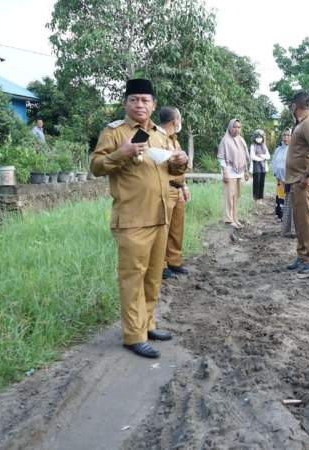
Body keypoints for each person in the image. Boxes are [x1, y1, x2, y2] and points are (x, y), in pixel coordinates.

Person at [90, 78, 189, 359]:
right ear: (126, 103)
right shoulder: (114, 133)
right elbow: (96, 166)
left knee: (153, 276)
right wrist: (121, 153)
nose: (140, 104)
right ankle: (133, 335)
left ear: (153, 104)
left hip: (160, 217)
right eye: (134, 100)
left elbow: (172, 172)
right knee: (132, 276)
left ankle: (148, 324)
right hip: (132, 218)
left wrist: (179, 163)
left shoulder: (159, 135)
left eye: (145, 100)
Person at [285, 91, 309, 274]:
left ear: (295, 106)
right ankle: (302, 255)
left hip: (304, 182)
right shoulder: (301, 124)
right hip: (297, 181)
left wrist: (308, 173)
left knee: (306, 221)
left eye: (291, 105)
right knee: (299, 222)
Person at [160, 106, 191, 280]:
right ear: (175, 121)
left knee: (177, 228)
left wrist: (184, 186)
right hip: (165, 189)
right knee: (164, 229)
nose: (181, 122)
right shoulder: (159, 139)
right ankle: (162, 265)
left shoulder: (175, 140)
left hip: (177, 189)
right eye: (180, 118)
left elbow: (179, 169)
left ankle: (174, 261)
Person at [217, 119, 250, 229]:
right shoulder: (225, 140)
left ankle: (235, 217)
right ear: (230, 127)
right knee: (229, 196)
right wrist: (225, 172)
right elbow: (221, 157)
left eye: (239, 127)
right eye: (235, 127)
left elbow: (244, 156)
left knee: (236, 196)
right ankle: (228, 219)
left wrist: (246, 171)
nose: (237, 129)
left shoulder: (241, 140)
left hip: (239, 172)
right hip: (229, 171)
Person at [272, 129, 292, 227]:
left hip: (289, 179)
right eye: (284, 135)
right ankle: (280, 216)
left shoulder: (293, 150)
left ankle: (287, 219)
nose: (286, 137)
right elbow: (274, 162)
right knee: (280, 196)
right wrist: (276, 174)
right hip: (280, 178)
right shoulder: (278, 150)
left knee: (288, 198)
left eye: (288, 135)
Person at [250, 129, 270, 204]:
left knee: (262, 183)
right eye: (257, 137)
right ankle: (256, 198)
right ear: (254, 137)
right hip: (256, 167)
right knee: (256, 182)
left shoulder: (264, 146)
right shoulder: (253, 146)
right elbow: (252, 156)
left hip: (263, 167)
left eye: (260, 137)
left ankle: (260, 198)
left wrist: (260, 155)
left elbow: (268, 156)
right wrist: (262, 158)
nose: (259, 138)